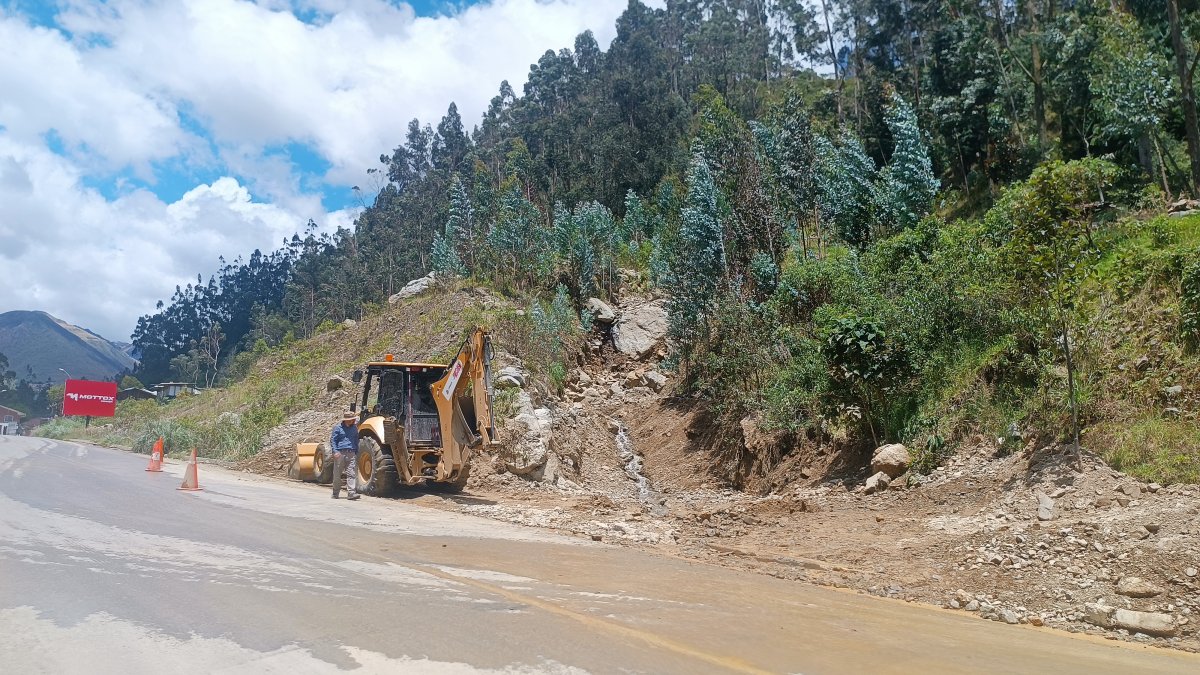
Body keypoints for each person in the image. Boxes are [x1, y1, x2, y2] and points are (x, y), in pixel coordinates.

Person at [330, 410, 360, 500]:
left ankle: (351, 493)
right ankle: (335, 493)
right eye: (352, 419)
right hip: (340, 453)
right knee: (337, 475)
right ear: (346, 420)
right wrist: (335, 451)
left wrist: (356, 451)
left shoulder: (354, 428)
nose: (353, 421)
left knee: (351, 474)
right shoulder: (338, 428)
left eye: (354, 419)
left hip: (351, 453)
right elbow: (333, 440)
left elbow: (356, 440)